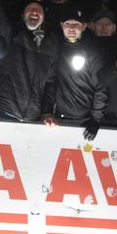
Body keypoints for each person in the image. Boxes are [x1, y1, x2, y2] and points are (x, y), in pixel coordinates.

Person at [42, 8, 107, 140]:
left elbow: (101, 87)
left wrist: (95, 119)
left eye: (76, 24)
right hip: (57, 120)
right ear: (62, 26)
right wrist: (47, 111)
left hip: (85, 122)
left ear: (83, 27)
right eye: (67, 24)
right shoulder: (55, 48)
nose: (71, 28)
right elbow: (50, 82)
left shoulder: (93, 51)